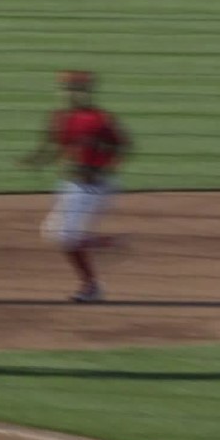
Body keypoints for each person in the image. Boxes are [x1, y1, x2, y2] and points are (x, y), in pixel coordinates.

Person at [18, 70, 131, 303]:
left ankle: (91, 287)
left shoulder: (100, 119)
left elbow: (122, 146)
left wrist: (102, 168)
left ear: (87, 92)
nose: (71, 94)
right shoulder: (60, 117)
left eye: (77, 90)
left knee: (66, 236)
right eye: (68, 90)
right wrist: (35, 161)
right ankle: (106, 243)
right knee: (51, 233)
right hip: (70, 184)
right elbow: (52, 146)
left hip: (94, 186)